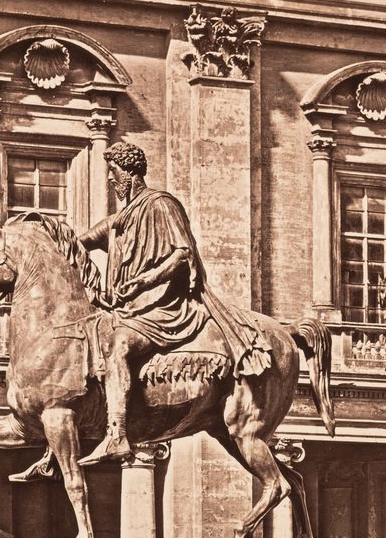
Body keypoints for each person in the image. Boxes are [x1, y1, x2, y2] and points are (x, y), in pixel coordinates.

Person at [76, 140, 272, 465]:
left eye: (114, 173)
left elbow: (183, 255)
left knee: (119, 344)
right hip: (130, 308)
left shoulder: (161, 204)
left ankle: (117, 434)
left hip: (165, 307)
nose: (111, 180)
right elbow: (80, 241)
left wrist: (145, 279)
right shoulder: (122, 218)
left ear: (130, 173)